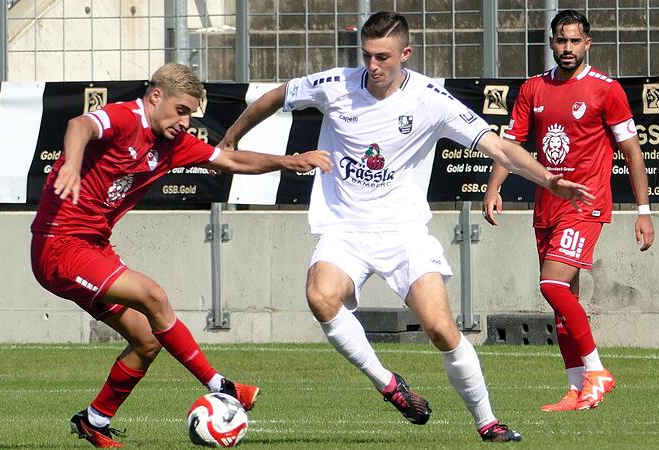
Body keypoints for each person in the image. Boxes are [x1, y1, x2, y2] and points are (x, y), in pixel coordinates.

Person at [219, 11, 593, 443]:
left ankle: (487, 422)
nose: (372, 66)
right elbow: (277, 95)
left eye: (382, 57)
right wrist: (232, 137)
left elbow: (499, 146)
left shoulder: (430, 99)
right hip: (345, 229)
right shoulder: (338, 84)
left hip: (403, 232)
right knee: (320, 296)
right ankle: (389, 385)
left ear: (405, 55)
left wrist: (548, 180)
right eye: (366, 56)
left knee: (440, 329)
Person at [30, 63, 332, 448]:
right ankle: (221, 385)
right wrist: (72, 163)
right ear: (155, 97)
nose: (185, 121)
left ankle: (95, 420)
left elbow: (231, 161)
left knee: (146, 340)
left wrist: (288, 162)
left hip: (93, 247)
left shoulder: (173, 144)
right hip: (60, 246)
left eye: (190, 113)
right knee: (153, 295)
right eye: (181, 110)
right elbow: (79, 125)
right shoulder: (126, 117)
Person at [482, 9, 655, 412]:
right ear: (551, 43)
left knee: (552, 285)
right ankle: (579, 389)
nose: (567, 48)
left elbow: (631, 152)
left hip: (586, 203)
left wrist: (643, 210)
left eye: (575, 41)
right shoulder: (532, 90)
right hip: (546, 207)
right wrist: (493, 187)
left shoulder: (605, 90)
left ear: (587, 43)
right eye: (561, 40)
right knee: (563, 300)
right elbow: (510, 146)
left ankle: (597, 371)